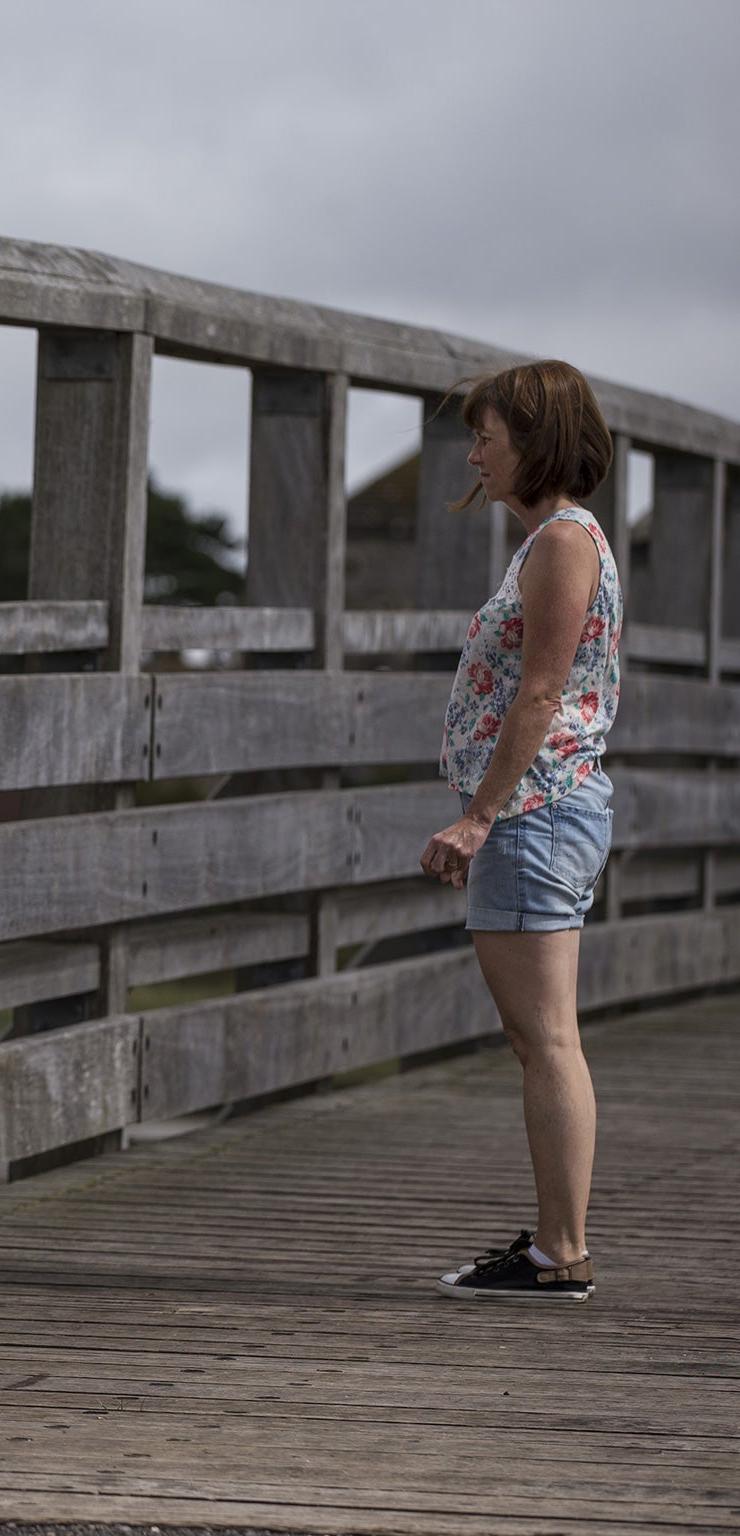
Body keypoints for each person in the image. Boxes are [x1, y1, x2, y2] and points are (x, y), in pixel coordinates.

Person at [420, 360, 620, 1303]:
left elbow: (542, 691)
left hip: (535, 813)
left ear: (534, 439)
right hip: (542, 811)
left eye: (487, 438)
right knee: (540, 1035)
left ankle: (561, 1251)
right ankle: (555, 1243)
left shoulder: (562, 543)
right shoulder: (548, 539)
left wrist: (478, 816)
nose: (475, 455)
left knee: (545, 1037)